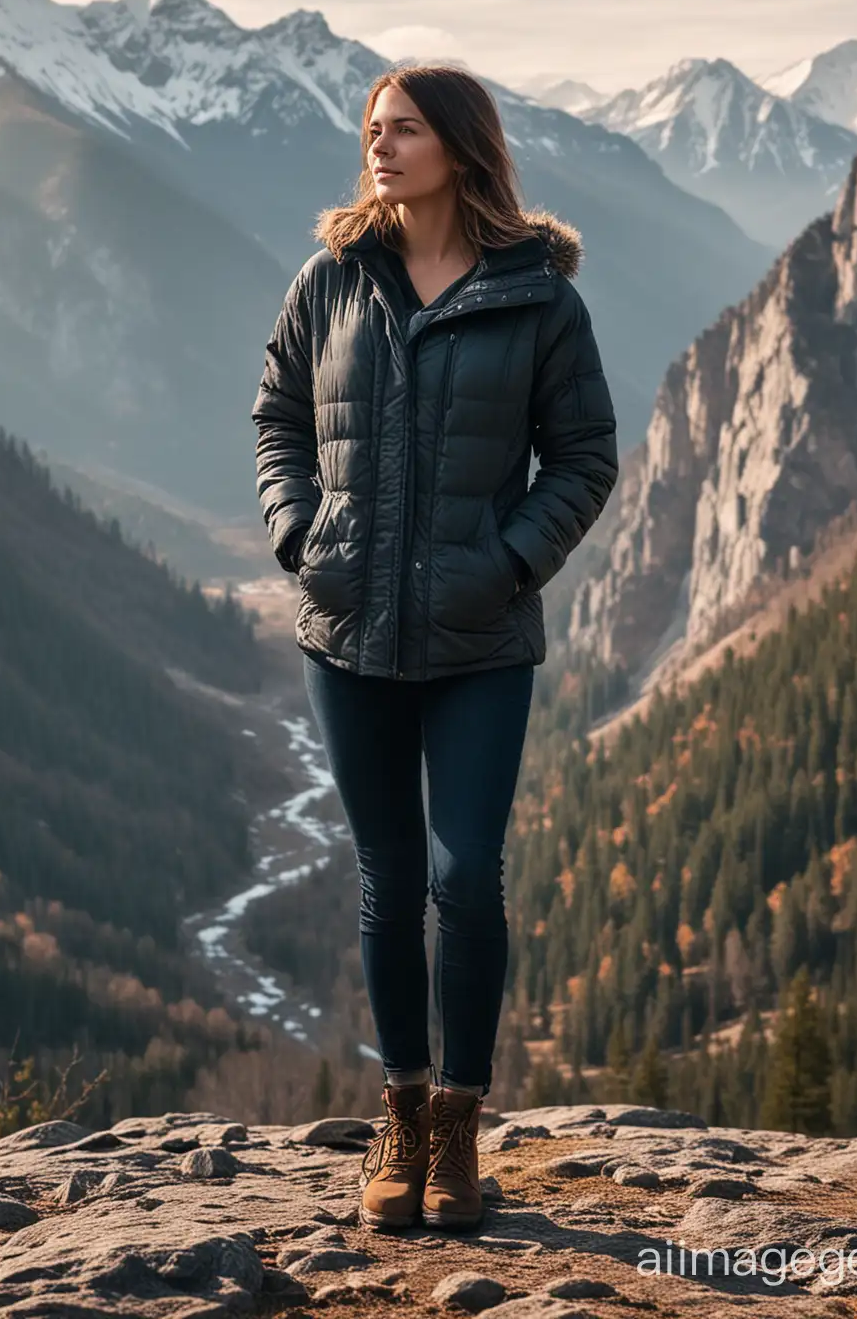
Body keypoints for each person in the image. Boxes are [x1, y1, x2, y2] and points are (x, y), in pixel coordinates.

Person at [249, 64, 619, 1231]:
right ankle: (400, 1119)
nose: (381, 146)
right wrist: (301, 532)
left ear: (460, 146)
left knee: (466, 879)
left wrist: (509, 564)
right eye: (372, 130)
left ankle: (459, 1126)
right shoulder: (332, 278)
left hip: (480, 637)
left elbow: (585, 457)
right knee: (386, 877)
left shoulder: (540, 298)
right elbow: (276, 415)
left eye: (404, 129)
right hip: (346, 628)